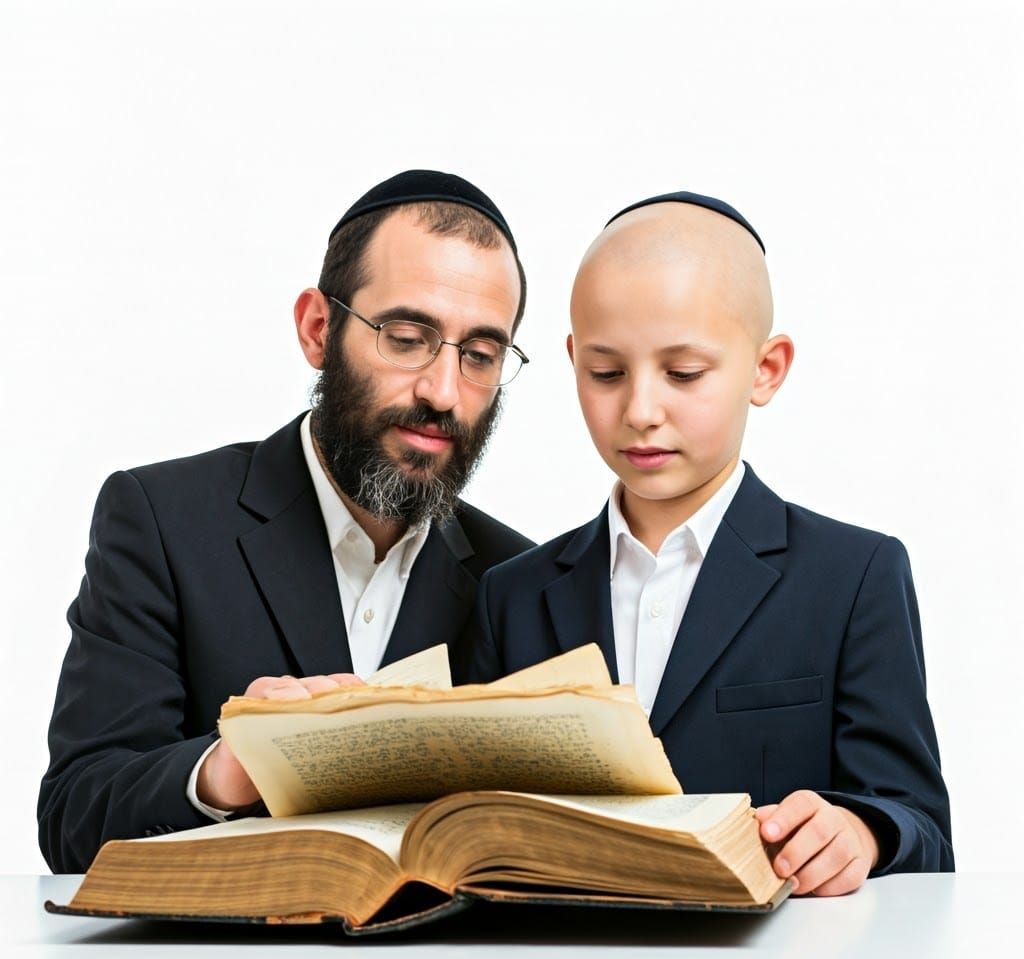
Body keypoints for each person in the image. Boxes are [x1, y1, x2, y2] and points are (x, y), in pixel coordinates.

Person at [38, 170, 534, 873]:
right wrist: (224, 771)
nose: (443, 392)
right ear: (317, 328)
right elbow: (71, 818)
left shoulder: (517, 578)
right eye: (405, 337)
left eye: (479, 356)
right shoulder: (161, 520)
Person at [465, 191, 953, 896]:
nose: (639, 411)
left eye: (684, 374)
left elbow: (925, 831)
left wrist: (862, 833)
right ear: (572, 360)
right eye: (606, 373)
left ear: (766, 369)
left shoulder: (854, 577)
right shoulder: (511, 596)